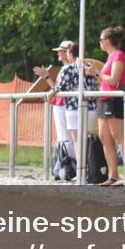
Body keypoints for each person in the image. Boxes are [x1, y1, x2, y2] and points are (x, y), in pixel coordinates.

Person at [48, 42, 98, 172]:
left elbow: (60, 87)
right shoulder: (90, 67)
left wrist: (51, 92)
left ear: (70, 54)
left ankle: (81, 170)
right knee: (85, 140)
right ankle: (88, 169)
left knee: (77, 141)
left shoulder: (67, 69)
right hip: (91, 108)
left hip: (74, 108)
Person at [97, 26, 125, 187]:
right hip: (104, 99)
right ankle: (113, 175)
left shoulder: (118, 55)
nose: (99, 42)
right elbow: (106, 81)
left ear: (107, 41)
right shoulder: (110, 57)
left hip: (114, 100)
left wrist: (96, 73)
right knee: (105, 138)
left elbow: (114, 80)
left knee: (120, 138)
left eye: (101, 39)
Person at [36, 41, 75, 160]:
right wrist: (47, 77)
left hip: (63, 104)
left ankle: (70, 164)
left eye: (60, 50)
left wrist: (47, 77)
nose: (58, 52)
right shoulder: (67, 68)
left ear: (67, 52)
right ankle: (69, 163)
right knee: (66, 136)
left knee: (65, 136)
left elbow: (57, 89)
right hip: (63, 104)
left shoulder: (67, 69)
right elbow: (57, 88)